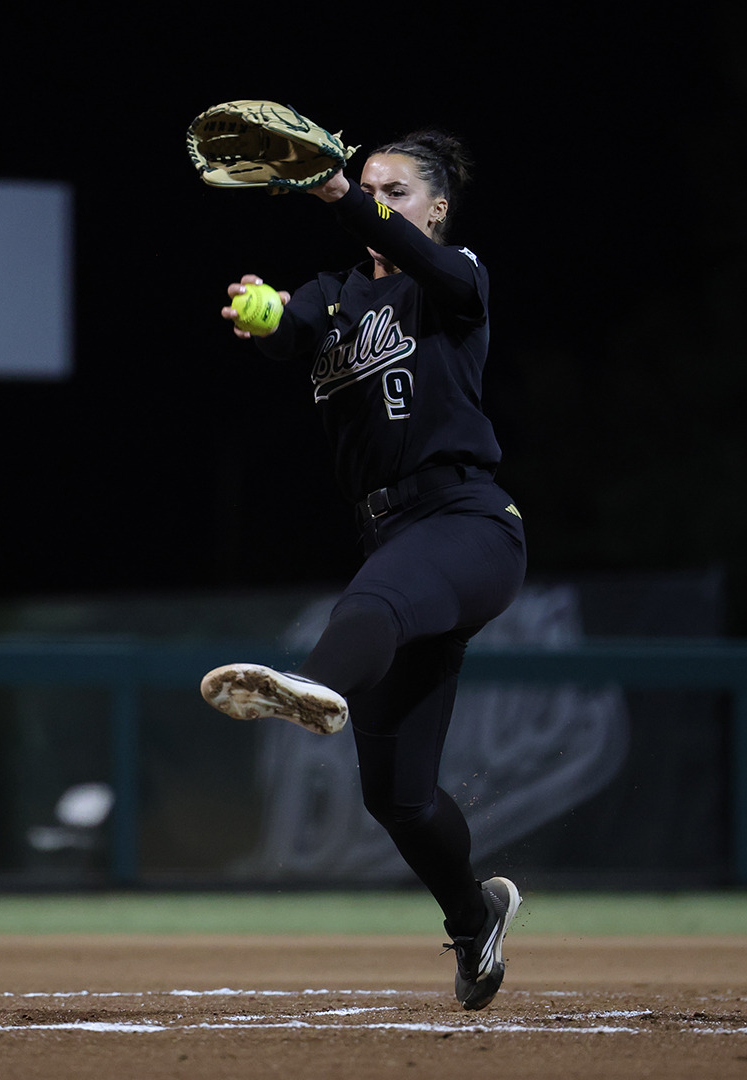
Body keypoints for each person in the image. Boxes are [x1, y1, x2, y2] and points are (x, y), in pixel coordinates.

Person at [199, 131, 528, 1010]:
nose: (377, 201)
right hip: (397, 539)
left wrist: (341, 189)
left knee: (374, 601)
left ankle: (307, 686)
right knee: (398, 798)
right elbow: (288, 331)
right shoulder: (336, 296)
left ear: (436, 206)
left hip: (467, 524)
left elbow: (439, 269)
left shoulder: (454, 274)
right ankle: (475, 915)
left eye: (395, 189)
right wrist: (263, 313)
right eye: (369, 187)